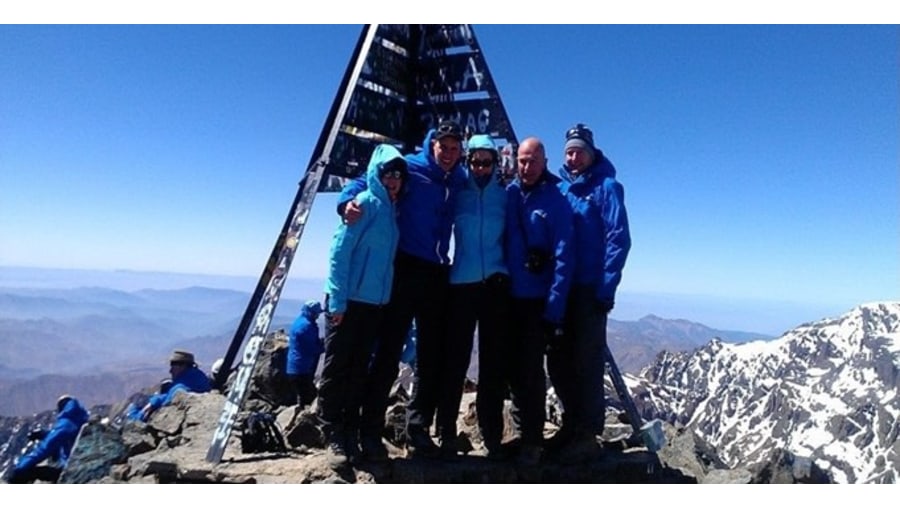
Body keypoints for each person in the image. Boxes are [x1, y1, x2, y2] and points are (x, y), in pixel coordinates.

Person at [337, 120, 466, 459]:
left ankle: (417, 429)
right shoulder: (410, 166)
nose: (449, 154)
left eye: (455, 149)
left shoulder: (459, 177)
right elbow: (366, 178)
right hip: (405, 267)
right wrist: (346, 203)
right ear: (433, 144)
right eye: (444, 147)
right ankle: (369, 429)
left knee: (430, 354)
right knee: (390, 349)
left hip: (438, 272)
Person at [547, 123, 631, 464]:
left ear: (591, 153)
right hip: (560, 288)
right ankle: (571, 423)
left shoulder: (607, 187)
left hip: (589, 289)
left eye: (579, 150)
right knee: (558, 359)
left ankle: (588, 432)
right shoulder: (561, 189)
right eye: (569, 151)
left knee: (587, 359)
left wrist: (606, 287)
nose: (573, 156)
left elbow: (619, 239)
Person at [318, 144, 407, 466]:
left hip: (374, 305)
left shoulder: (393, 211)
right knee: (337, 368)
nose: (393, 179)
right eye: (388, 173)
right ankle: (332, 433)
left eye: (398, 174)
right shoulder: (364, 204)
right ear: (376, 173)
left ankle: (350, 431)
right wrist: (338, 302)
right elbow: (338, 254)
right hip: (348, 303)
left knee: (358, 371)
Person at [438, 134, 511, 460]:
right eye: (476, 161)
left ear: (496, 163)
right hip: (461, 285)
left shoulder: (505, 196)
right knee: (455, 360)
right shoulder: (456, 190)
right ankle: (446, 432)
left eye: (487, 161)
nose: (481, 167)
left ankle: (492, 434)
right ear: (468, 162)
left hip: (495, 284)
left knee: (494, 363)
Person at [505, 137, 574, 466]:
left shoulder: (557, 200)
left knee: (531, 372)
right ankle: (520, 432)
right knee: (513, 369)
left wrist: (554, 310)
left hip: (537, 301)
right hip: (507, 297)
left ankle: (532, 441)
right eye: (521, 160)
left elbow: (565, 257)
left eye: (532, 161)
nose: (526, 167)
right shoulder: (510, 193)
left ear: (544, 162)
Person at [8, 395, 89, 483]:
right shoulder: (80, 420)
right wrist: (44, 434)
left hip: (71, 470)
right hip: (82, 467)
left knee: (27, 473)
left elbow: (47, 447)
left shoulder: (66, 422)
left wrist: (21, 467)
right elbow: (65, 438)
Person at [136, 350, 211, 421]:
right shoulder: (195, 375)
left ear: (183, 366)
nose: (170, 371)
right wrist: (156, 400)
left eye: (173, 367)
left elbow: (168, 401)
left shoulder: (182, 386)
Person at [286, 300, 325, 409]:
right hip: (302, 369)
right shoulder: (307, 327)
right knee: (309, 400)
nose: (317, 316)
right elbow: (312, 349)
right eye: (316, 313)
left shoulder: (298, 322)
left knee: (303, 396)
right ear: (311, 313)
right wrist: (325, 347)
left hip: (294, 367)